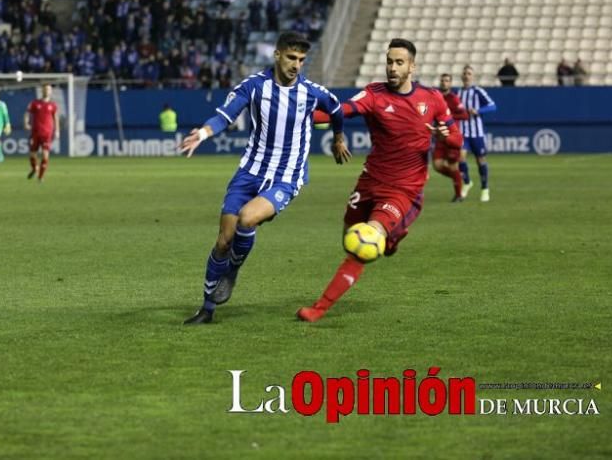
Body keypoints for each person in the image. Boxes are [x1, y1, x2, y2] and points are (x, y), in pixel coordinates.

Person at [179, 32, 350, 324]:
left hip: (287, 176)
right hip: (249, 172)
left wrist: (338, 138)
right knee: (223, 241)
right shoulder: (254, 86)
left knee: (248, 218)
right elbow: (225, 115)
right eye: (291, 57)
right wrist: (204, 133)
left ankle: (232, 271)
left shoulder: (311, 92)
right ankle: (207, 308)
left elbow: (336, 109)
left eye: (301, 60)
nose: (296, 65)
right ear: (277, 55)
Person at [297, 39, 458, 322]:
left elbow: (457, 137)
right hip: (370, 182)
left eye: (399, 62)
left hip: (404, 189)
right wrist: (297, 115)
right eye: (389, 61)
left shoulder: (432, 99)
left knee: (364, 244)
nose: (392, 68)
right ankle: (392, 238)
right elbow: (341, 110)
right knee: (350, 239)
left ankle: (318, 309)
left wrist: (447, 136)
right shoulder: (374, 95)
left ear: (412, 66)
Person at [456, 65, 497, 202]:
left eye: (469, 73)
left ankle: (485, 188)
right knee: (460, 158)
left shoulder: (478, 91)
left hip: (477, 133)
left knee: (481, 161)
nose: (467, 76)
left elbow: (492, 106)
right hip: (463, 133)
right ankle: (467, 182)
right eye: (465, 73)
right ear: (462, 77)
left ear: (472, 77)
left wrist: (478, 111)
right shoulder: (458, 93)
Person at [436, 73, 472, 201]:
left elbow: (465, 115)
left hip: (451, 136)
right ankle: (459, 178)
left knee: (452, 165)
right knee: (437, 165)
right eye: (442, 80)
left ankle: (458, 195)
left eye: (446, 81)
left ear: (450, 84)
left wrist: (449, 117)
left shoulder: (454, 98)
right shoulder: (436, 97)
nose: (444, 83)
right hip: (440, 137)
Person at [24, 83, 59, 183]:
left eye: (48, 89)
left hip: (47, 133)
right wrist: (26, 123)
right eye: (45, 89)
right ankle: (35, 168)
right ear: (42, 91)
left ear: (51, 91)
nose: (46, 91)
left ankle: (40, 177)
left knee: (45, 155)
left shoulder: (53, 105)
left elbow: (56, 118)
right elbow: (27, 113)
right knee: (32, 154)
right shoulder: (35, 103)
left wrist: (57, 130)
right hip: (35, 132)